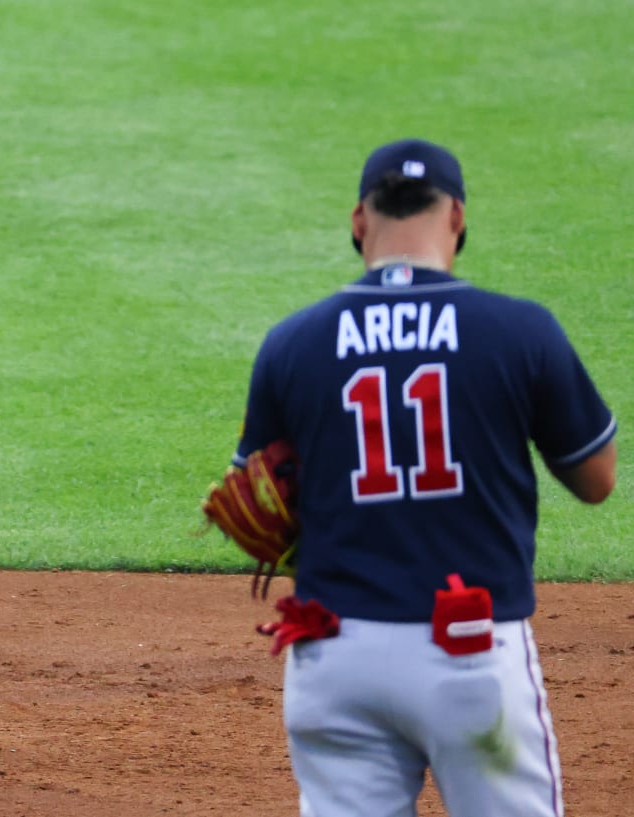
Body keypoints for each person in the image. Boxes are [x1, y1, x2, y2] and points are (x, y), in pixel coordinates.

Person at [230, 139, 617, 816]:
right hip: (467, 656)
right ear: (458, 217)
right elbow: (596, 477)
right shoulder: (519, 331)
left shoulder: (292, 344)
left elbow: (256, 513)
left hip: (333, 654)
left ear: (358, 221)